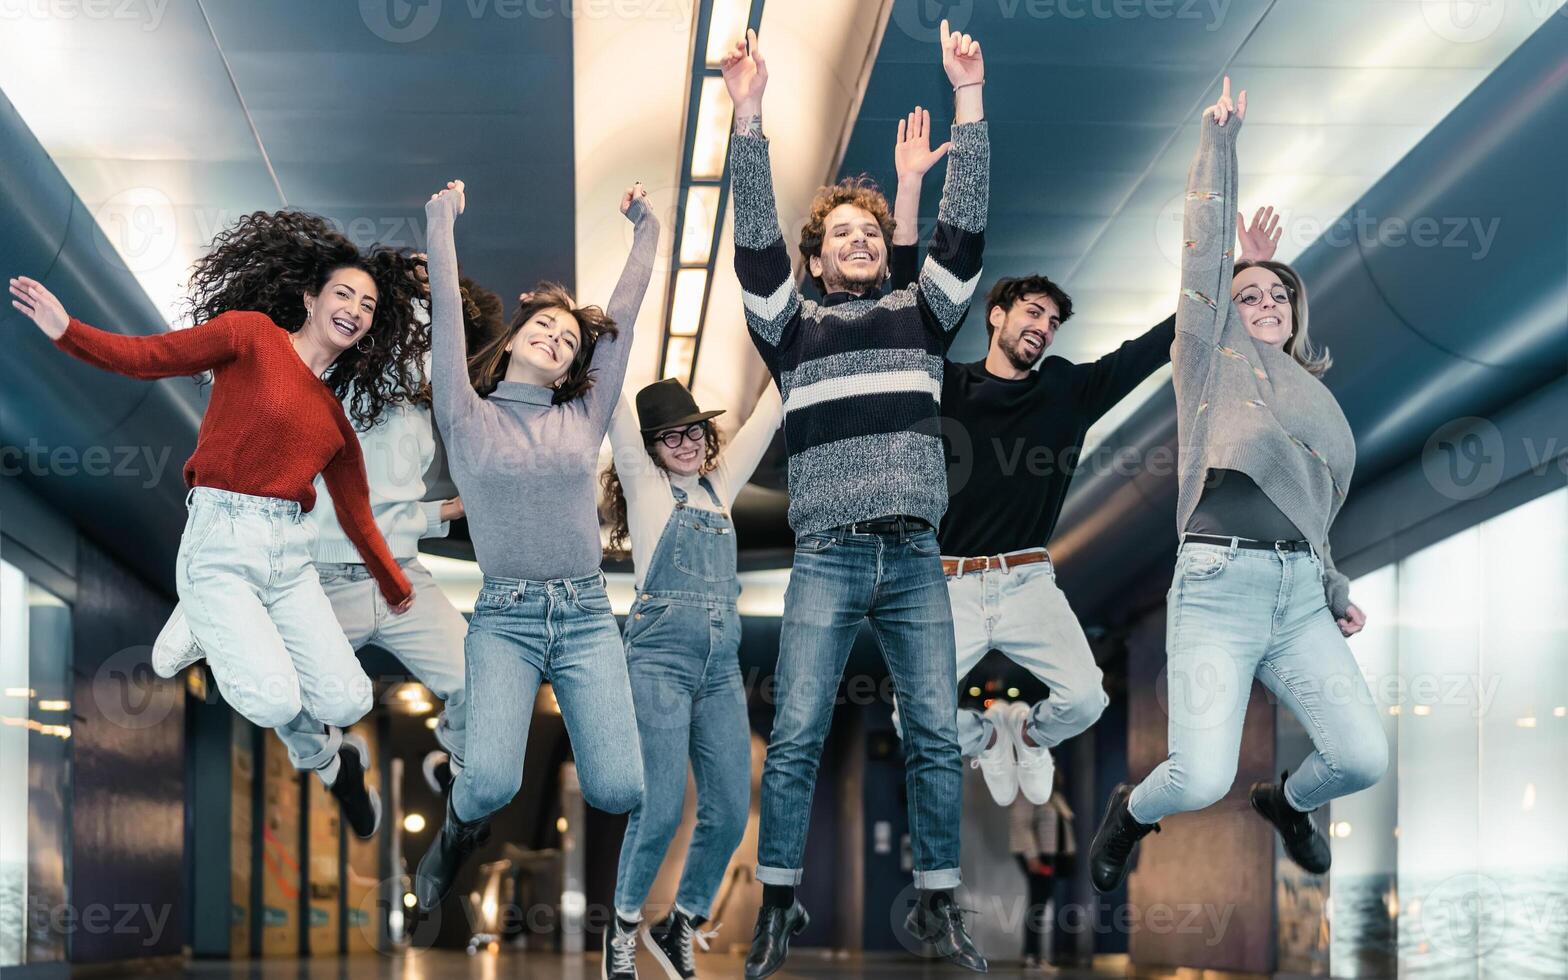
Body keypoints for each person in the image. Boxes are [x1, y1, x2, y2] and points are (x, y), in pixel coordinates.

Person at [885, 112, 1283, 807]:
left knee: (1087, 700)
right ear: (996, 316)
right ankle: (986, 736)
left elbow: (1166, 337)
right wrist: (909, 189)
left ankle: (1029, 735)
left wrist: (1242, 268)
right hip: (946, 583)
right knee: (907, 714)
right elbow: (900, 309)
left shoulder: (1069, 389)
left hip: (1028, 582)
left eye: (1052, 321)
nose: (1041, 326)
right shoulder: (944, 384)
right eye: (1031, 312)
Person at [720, 20, 990, 977]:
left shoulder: (924, 317)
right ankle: (780, 907)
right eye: (842, 234)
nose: (862, 241)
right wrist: (749, 118)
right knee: (794, 733)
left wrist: (970, 100)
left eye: (873, 233)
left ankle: (938, 907)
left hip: (915, 555)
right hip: (829, 554)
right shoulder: (790, 333)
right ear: (818, 254)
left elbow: (962, 232)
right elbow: (753, 245)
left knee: (932, 733)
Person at [9, 214, 420, 834]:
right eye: (343, 293)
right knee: (275, 699)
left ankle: (204, 620)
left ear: (368, 330)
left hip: (290, 557)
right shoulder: (252, 336)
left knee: (350, 699)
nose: (355, 309)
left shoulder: (334, 418)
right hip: (221, 538)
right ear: (310, 300)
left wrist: (395, 585)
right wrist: (68, 331)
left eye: (367, 305)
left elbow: (358, 514)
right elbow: (152, 357)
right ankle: (208, 610)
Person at [1087, 79, 1388, 893]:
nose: (1261, 303)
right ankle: (1131, 813)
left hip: (1297, 593)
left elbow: (1314, 515)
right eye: (1246, 294)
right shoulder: (1208, 362)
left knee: (1362, 756)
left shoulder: (1316, 403)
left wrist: (1330, 586)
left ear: (1295, 314)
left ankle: (1289, 803)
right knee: (1198, 778)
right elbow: (1202, 256)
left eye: (1275, 295)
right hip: (1217, 585)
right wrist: (1220, 144)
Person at [147, 245, 497, 836]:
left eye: (434, 311)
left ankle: (456, 760)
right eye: (408, 304)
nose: (422, 321)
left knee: (478, 683)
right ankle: (334, 766)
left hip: (401, 575)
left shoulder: (426, 406)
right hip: (320, 573)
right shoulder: (324, 376)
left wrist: (444, 513)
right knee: (289, 704)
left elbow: (386, 508)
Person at [412, 178, 659, 912]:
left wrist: (646, 227)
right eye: (546, 327)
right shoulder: (465, 412)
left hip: (585, 616)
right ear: (517, 336)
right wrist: (443, 218)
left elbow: (626, 312)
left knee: (620, 787)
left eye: (570, 341)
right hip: (505, 619)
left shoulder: (582, 416)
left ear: (573, 366)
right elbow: (448, 322)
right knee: (489, 781)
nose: (558, 338)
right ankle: (456, 836)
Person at [597, 377, 783, 979]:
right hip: (657, 662)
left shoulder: (719, 485)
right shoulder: (648, 487)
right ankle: (622, 929)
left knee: (730, 810)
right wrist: (596, 330)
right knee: (659, 808)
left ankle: (681, 921)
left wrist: (807, 310)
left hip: (721, 668)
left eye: (694, 430)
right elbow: (614, 410)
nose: (686, 443)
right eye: (670, 437)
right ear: (650, 450)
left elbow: (768, 412)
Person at [1010, 765, 1076, 970]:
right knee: (1037, 904)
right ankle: (1031, 955)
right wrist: (1032, 856)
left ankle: (1034, 955)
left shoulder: (1054, 797)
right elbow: (1020, 824)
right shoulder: (1030, 793)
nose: (1057, 776)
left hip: (1052, 857)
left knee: (1040, 904)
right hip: (1038, 856)